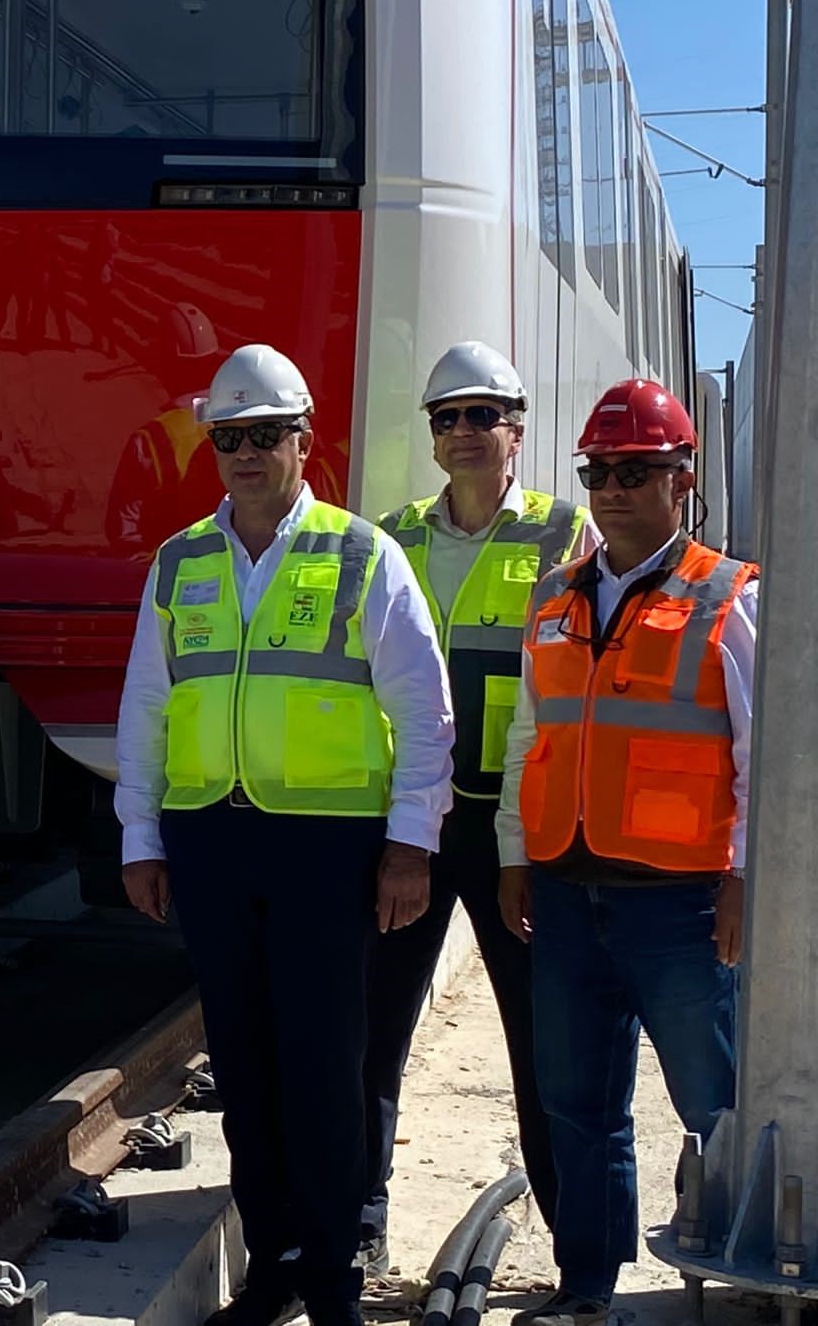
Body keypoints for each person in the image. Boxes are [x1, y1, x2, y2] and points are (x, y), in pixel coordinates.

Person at [113, 344, 456, 1326]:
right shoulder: (179, 564)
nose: (246, 453)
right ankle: (272, 1267)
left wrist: (407, 844)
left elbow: (423, 715)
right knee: (245, 1067)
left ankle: (333, 1283)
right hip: (211, 843)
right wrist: (140, 833)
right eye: (229, 438)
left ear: (303, 441)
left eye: (265, 435)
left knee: (322, 1065)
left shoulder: (359, 555)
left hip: (326, 847)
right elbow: (146, 706)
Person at [497, 380, 755, 1326]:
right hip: (568, 894)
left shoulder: (728, 598)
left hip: (679, 904)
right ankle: (588, 1290)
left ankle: (744, 1282)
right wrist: (515, 856)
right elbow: (532, 738)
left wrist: (742, 884)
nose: (611, 488)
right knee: (578, 1106)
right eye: (598, 471)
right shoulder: (555, 598)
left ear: (680, 479)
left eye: (635, 470)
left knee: (717, 1109)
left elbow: (763, 756)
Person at [361, 344, 594, 1270]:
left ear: (516, 431)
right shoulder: (396, 535)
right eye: (446, 418)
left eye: (481, 415)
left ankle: (573, 1237)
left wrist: (532, 842)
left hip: (516, 826)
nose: (462, 432)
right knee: (375, 1028)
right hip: (415, 823)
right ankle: (363, 1219)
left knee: (542, 1042)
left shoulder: (561, 534)